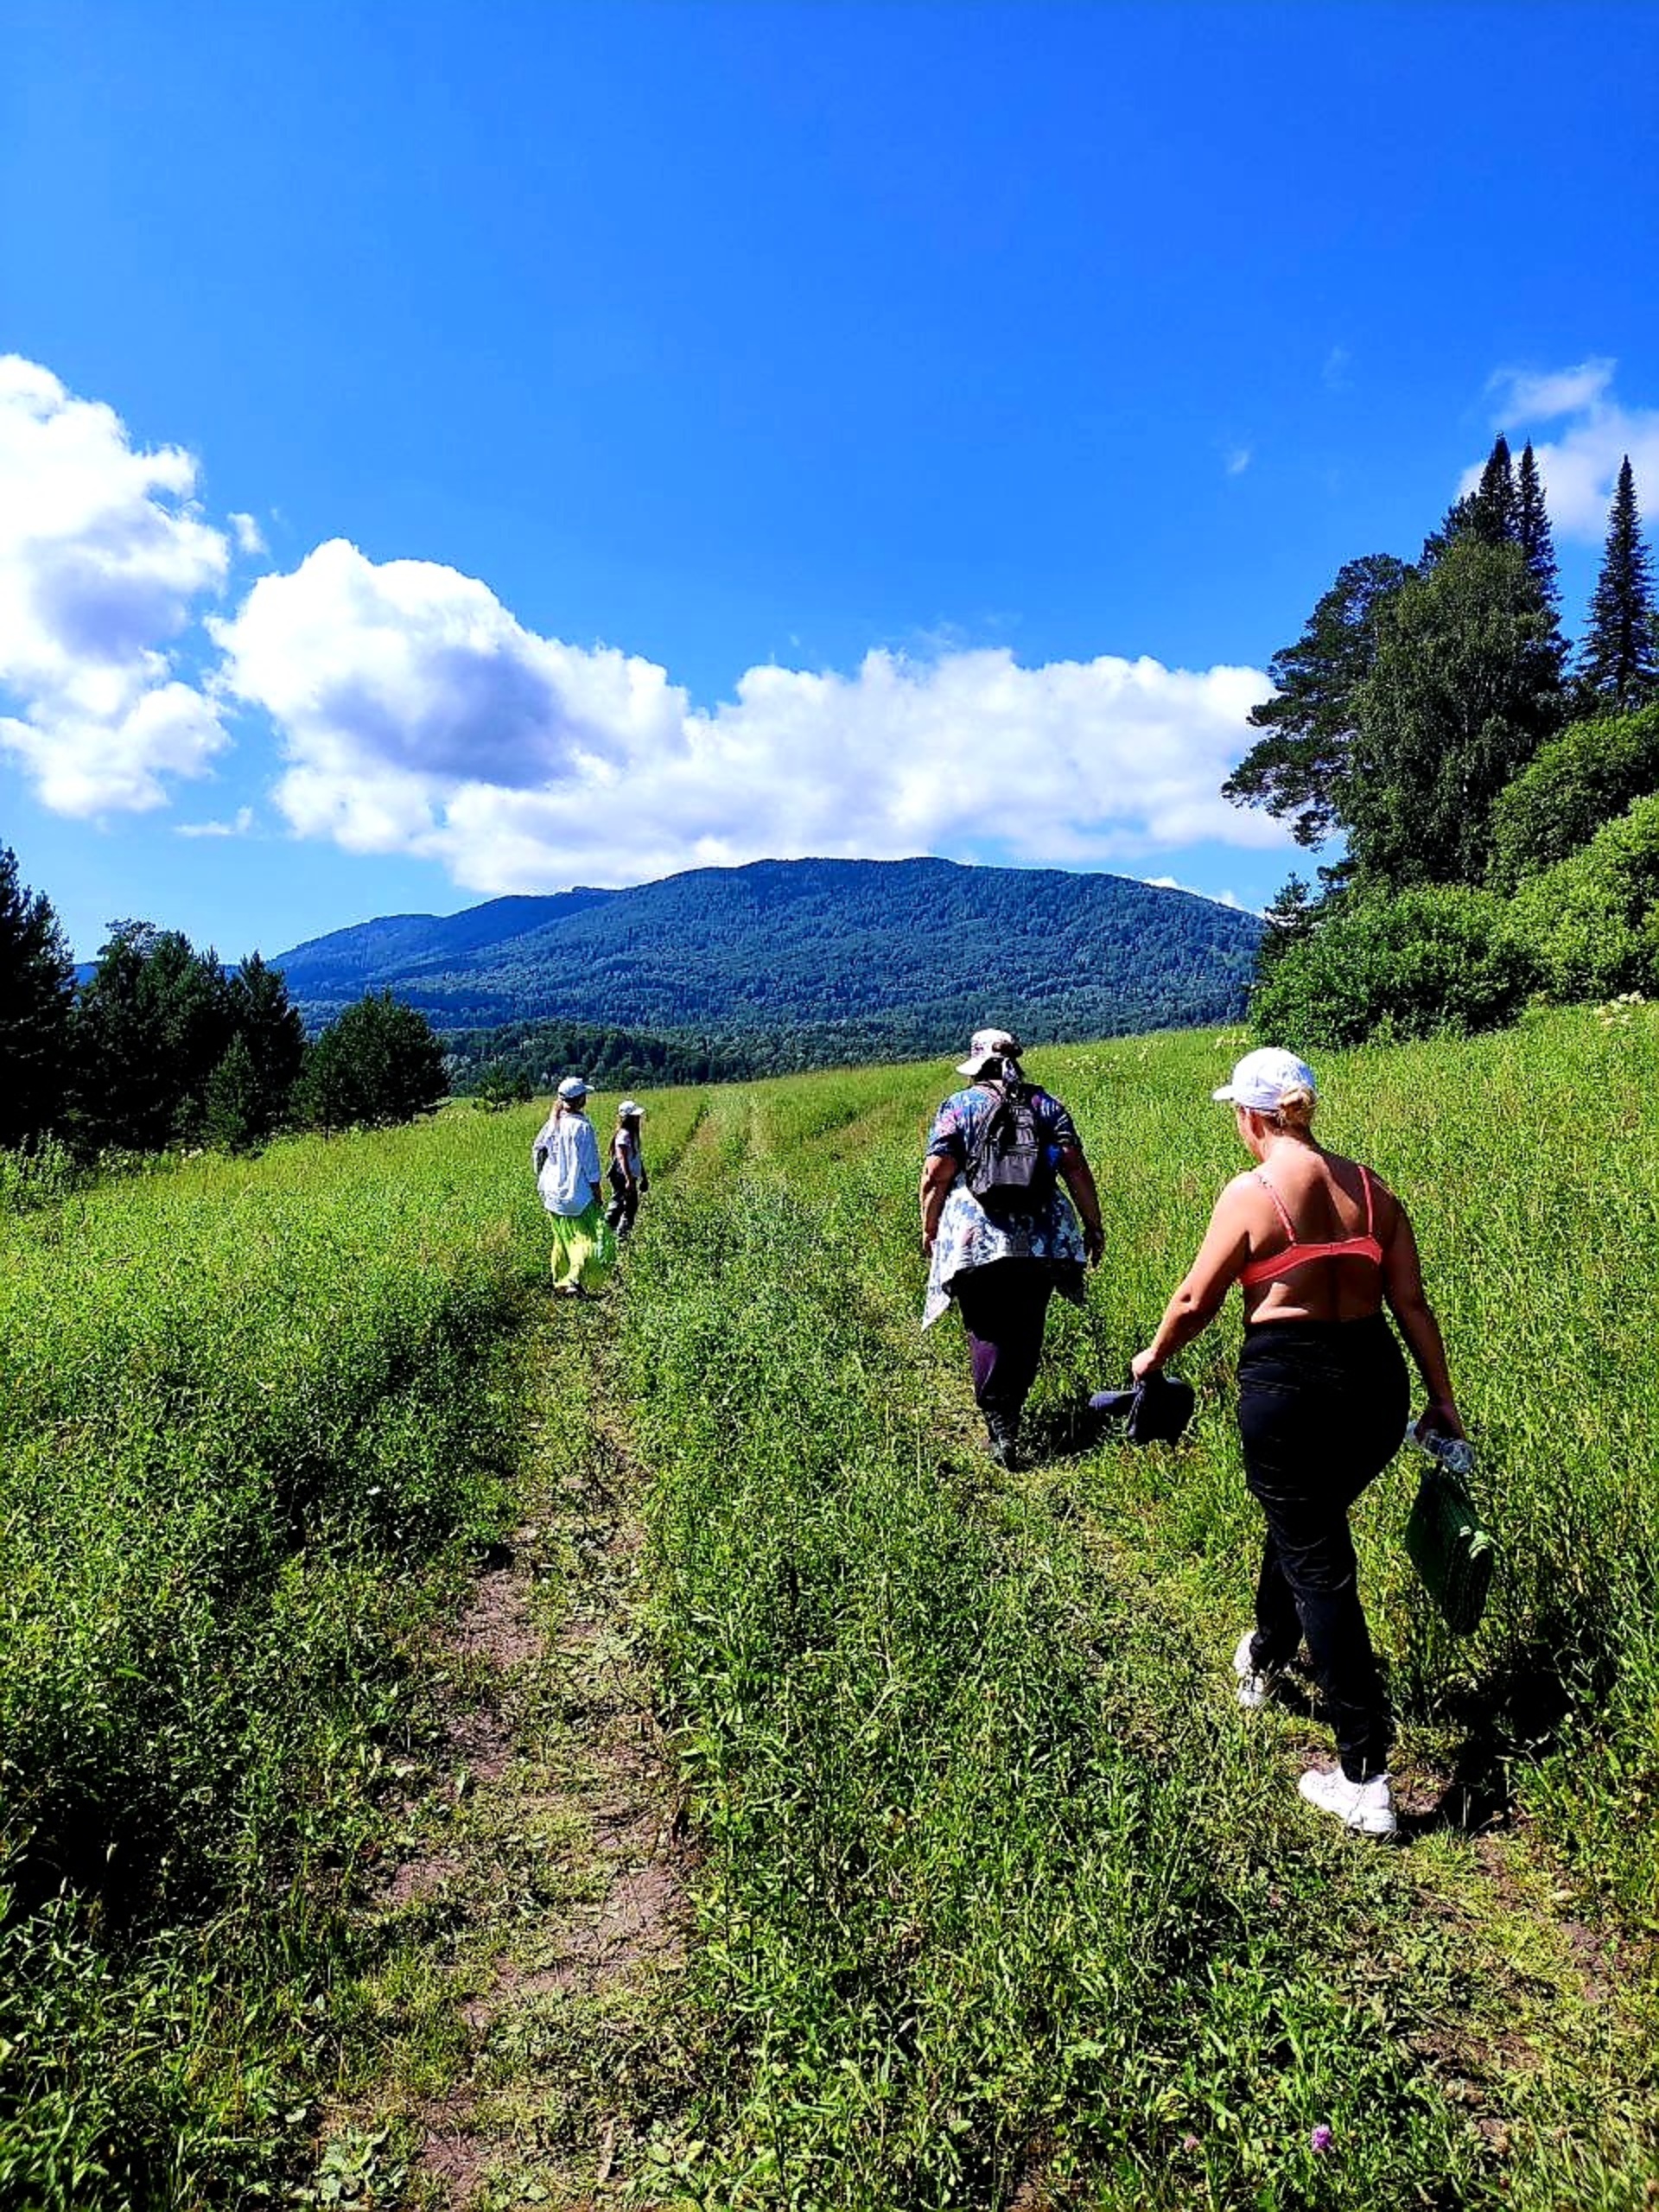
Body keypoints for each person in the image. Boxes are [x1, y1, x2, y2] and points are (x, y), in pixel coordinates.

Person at [1130, 1047, 1464, 1840]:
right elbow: (1412, 1305)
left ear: (1252, 1117)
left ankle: (1365, 1776)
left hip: (1292, 1387)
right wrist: (1442, 1399)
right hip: (1377, 1388)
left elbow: (1194, 1297)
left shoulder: (1253, 1192)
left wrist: (1153, 1357)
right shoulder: (1374, 1191)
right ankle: (1270, 1653)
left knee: (1320, 1561)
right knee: (1305, 1524)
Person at [921, 1027, 1105, 1470]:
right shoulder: (1046, 1105)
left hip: (975, 1242)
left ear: (976, 1065)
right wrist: (1093, 1226)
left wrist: (930, 1228)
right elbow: (1074, 1167)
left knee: (986, 1327)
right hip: (1040, 1239)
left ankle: (1000, 1425)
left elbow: (937, 1173)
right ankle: (1011, 1414)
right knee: (1026, 1327)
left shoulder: (960, 1106)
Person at [531, 1076, 617, 1297]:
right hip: (576, 1194)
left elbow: (538, 1152)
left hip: (552, 1194)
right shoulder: (582, 1127)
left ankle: (560, 1281)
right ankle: (574, 1281)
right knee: (588, 1238)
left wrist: (542, 1180)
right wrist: (597, 1192)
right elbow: (590, 1166)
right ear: (580, 1099)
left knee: (561, 1239)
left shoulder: (552, 1123)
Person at [606, 1099, 649, 1236]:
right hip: (621, 1176)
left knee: (630, 1206)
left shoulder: (633, 1134)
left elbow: (636, 1158)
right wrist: (628, 1179)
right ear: (628, 1118)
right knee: (618, 1205)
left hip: (629, 1176)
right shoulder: (624, 1135)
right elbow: (622, 1158)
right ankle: (607, 1232)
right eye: (636, 1117)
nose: (638, 1118)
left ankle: (622, 1235)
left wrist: (644, 1176)